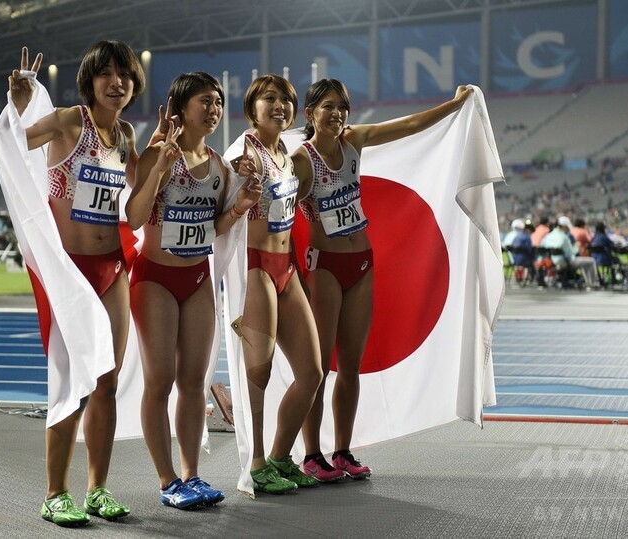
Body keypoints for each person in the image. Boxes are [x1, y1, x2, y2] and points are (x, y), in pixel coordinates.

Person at [291, 79, 472, 482]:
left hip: (361, 263)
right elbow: (280, 219)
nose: (336, 114)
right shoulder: (302, 161)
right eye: (327, 107)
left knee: (351, 365)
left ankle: (342, 451)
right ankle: (311, 454)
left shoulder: (354, 141)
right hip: (325, 267)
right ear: (310, 113)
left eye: (342, 106)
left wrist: (453, 106)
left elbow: (407, 126)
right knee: (318, 369)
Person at [7, 42, 144, 526]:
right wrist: (21, 103)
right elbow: (14, 142)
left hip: (111, 269)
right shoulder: (69, 121)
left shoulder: (126, 134)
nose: (116, 82)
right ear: (90, 81)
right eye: (106, 74)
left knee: (107, 382)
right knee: (69, 385)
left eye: (124, 74)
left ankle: (98, 489)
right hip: (71, 272)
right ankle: (54, 493)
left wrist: (162, 158)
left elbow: (135, 201)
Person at [124, 72, 261, 509]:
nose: (214, 108)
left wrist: (239, 207)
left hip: (198, 281)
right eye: (205, 100)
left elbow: (216, 227)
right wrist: (160, 168)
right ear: (181, 109)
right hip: (155, 279)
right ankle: (167, 481)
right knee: (160, 381)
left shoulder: (221, 167)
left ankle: (191, 476)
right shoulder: (157, 155)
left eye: (219, 101)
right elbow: (135, 217)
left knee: (193, 383)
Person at [231, 74, 322, 494]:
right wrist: (238, 171)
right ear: (253, 109)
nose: (280, 106)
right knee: (259, 372)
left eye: (286, 100)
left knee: (312, 372)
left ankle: (282, 456)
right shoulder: (246, 149)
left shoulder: (286, 151)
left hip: (286, 268)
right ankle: (256, 462)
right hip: (256, 268)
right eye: (270, 99)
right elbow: (234, 168)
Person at [541, 216, 600, 289]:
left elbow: (542, 245)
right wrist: (576, 247)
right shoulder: (563, 237)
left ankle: (589, 283)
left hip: (553, 261)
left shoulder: (549, 236)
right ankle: (592, 283)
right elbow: (570, 253)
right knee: (590, 261)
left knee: (585, 262)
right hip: (565, 262)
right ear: (563, 226)